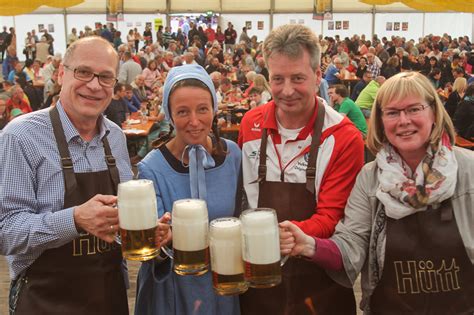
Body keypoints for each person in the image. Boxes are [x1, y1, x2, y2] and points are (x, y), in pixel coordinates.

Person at [280, 71, 474, 314]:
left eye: (414, 109)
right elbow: (352, 246)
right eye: (392, 112)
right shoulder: (370, 179)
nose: (403, 120)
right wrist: (309, 245)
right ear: (380, 121)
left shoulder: (469, 171)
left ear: (433, 113)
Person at [0, 36, 133, 314]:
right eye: (83, 72)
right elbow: (5, 231)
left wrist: (142, 229)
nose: (94, 85)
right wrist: (74, 219)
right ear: (62, 73)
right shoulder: (21, 136)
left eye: (106, 77)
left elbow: (121, 217)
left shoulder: (116, 137)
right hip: (45, 300)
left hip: (108, 297)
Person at [238, 24, 364, 314]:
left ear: (318, 76)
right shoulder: (250, 124)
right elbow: (246, 198)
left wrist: (282, 236)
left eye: (298, 78)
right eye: (277, 79)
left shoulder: (344, 137)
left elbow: (333, 216)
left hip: (319, 284)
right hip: (258, 278)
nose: (286, 90)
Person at [134, 64, 242, 314]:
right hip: (173, 289)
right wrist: (163, 239)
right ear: (169, 115)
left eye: (203, 109)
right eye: (183, 111)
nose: (194, 121)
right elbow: (153, 251)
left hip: (222, 283)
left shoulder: (232, 154)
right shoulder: (152, 167)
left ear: (214, 109)